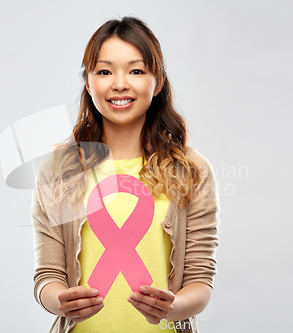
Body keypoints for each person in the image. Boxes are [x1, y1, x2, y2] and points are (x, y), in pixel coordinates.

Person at [31, 16, 220, 333]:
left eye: (136, 70)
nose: (119, 83)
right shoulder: (59, 169)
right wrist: (60, 300)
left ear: (156, 82)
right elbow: (47, 276)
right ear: (88, 82)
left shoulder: (191, 170)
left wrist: (171, 307)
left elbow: (200, 281)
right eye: (104, 71)